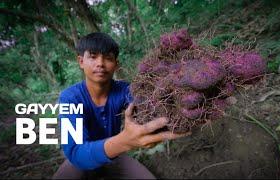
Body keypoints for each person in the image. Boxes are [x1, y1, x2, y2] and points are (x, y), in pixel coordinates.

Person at [52, 32, 190, 179]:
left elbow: (148, 104)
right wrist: (125, 141)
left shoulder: (125, 90)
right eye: (93, 57)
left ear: (116, 65)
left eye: (108, 58)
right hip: (81, 160)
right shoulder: (68, 98)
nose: (100, 63)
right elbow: (75, 152)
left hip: (116, 156)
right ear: (81, 61)